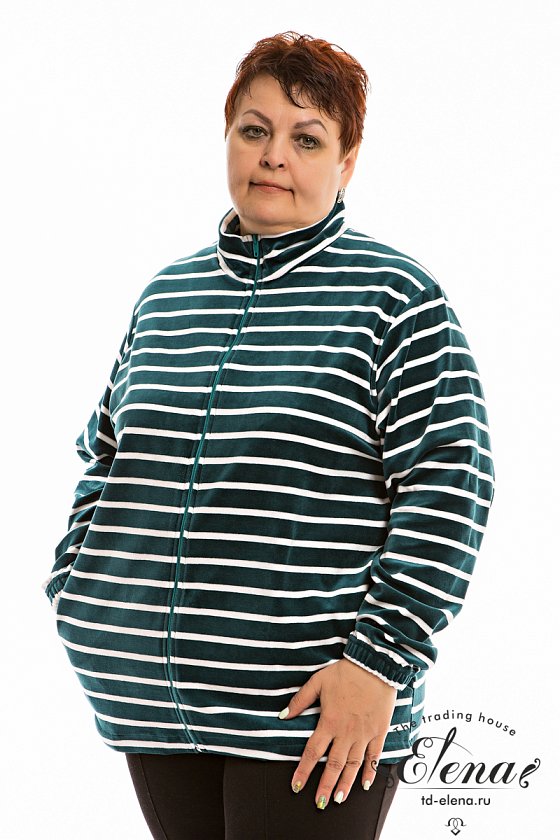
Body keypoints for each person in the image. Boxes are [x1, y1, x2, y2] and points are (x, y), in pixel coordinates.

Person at [43, 31, 494, 840]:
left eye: (306, 138)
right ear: (227, 138)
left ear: (347, 162)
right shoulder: (167, 297)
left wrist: (379, 662)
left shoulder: (395, 299)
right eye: (254, 130)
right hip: (151, 709)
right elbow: (105, 455)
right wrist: (78, 592)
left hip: (312, 716)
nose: (274, 155)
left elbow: (450, 487)